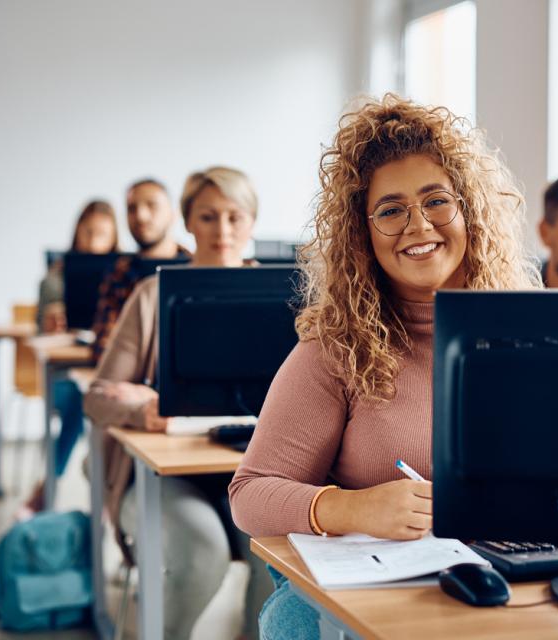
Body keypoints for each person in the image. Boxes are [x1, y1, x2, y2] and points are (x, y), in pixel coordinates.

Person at [228, 95, 541, 639]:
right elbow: (250, 493)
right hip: (370, 592)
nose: (418, 225)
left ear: (469, 209)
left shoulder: (530, 334)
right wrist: (353, 510)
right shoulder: (334, 349)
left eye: (437, 201)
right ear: (363, 234)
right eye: (391, 210)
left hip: (509, 577)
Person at [85, 167, 264, 640]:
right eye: (208, 217)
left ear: (252, 223)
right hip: (161, 478)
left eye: (234, 217)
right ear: (188, 222)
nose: (223, 231)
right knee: (200, 548)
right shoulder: (150, 296)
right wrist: (138, 409)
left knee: (280, 554)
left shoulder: (288, 297)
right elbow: (96, 398)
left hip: (253, 473)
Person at [19, 179, 189, 517]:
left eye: (151, 205)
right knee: (81, 403)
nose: (140, 215)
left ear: (172, 213)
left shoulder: (192, 268)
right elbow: (106, 344)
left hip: (171, 390)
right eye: (132, 207)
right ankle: (53, 489)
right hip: (112, 379)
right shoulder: (117, 272)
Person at [36, 200, 119, 334]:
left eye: (101, 234)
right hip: (67, 346)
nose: (93, 243)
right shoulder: (53, 279)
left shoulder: (127, 275)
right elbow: (40, 331)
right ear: (78, 232)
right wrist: (50, 324)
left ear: (113, 237)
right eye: (88, 232)